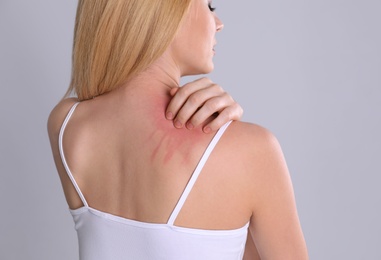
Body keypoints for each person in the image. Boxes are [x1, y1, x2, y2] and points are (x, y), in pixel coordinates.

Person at [48, 0, 308, 259]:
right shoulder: (252, 151)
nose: (219, 24)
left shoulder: (66, 124)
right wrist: (234, 132)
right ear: (166, 12)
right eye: (209, 6)